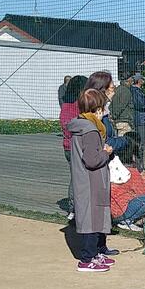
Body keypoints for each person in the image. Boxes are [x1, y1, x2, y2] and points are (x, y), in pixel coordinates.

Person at [67, 89, 117, 272]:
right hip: (91, 181)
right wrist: (106, 152)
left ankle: (95, 254)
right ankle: (87, 259)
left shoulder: (81, 126)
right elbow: (92, 160)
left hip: (87, 180)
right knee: (92, 219)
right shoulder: (90, 130)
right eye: (102, 108)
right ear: (97, 109)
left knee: (94, 217)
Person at [59, 75, 87, 220]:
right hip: (77, 146)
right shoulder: (80, 105)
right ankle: (75, 207)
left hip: (68, 146)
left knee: (75, 177)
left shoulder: (65, 105)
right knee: (79, 179)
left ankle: (74, 208)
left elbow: (65, 125)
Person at [111, 135, 145, 232]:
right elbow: (143, 192)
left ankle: (126, 219)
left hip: (109, 210)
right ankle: (126, 220)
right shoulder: (131, 171)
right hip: (120, 212)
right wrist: (143, 179)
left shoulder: (112, 167)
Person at [84, 71, 128, 153]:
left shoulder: (100, 110)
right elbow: (103, 142)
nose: (114, 92)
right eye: (112, 88)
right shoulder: (96, 114)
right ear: (102, 90)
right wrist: (125, 141)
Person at [131, 73, 145, 170]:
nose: (143, 81)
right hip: (141, 120)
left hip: (143, 119)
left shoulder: (138, 91)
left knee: (143, 143)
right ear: (139, 80)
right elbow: (140, 104)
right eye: (142, 79)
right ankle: (139, 167)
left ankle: (141, 166)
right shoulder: (135, 91)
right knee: (141, 144)